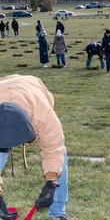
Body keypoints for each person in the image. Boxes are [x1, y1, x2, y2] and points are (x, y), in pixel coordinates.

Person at [0, 74, 69, 220]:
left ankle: (57, 213)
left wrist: (51, 182)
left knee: (60, 154)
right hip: (5, 85)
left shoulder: (43, 115)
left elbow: (53, 148)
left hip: (33, 88)